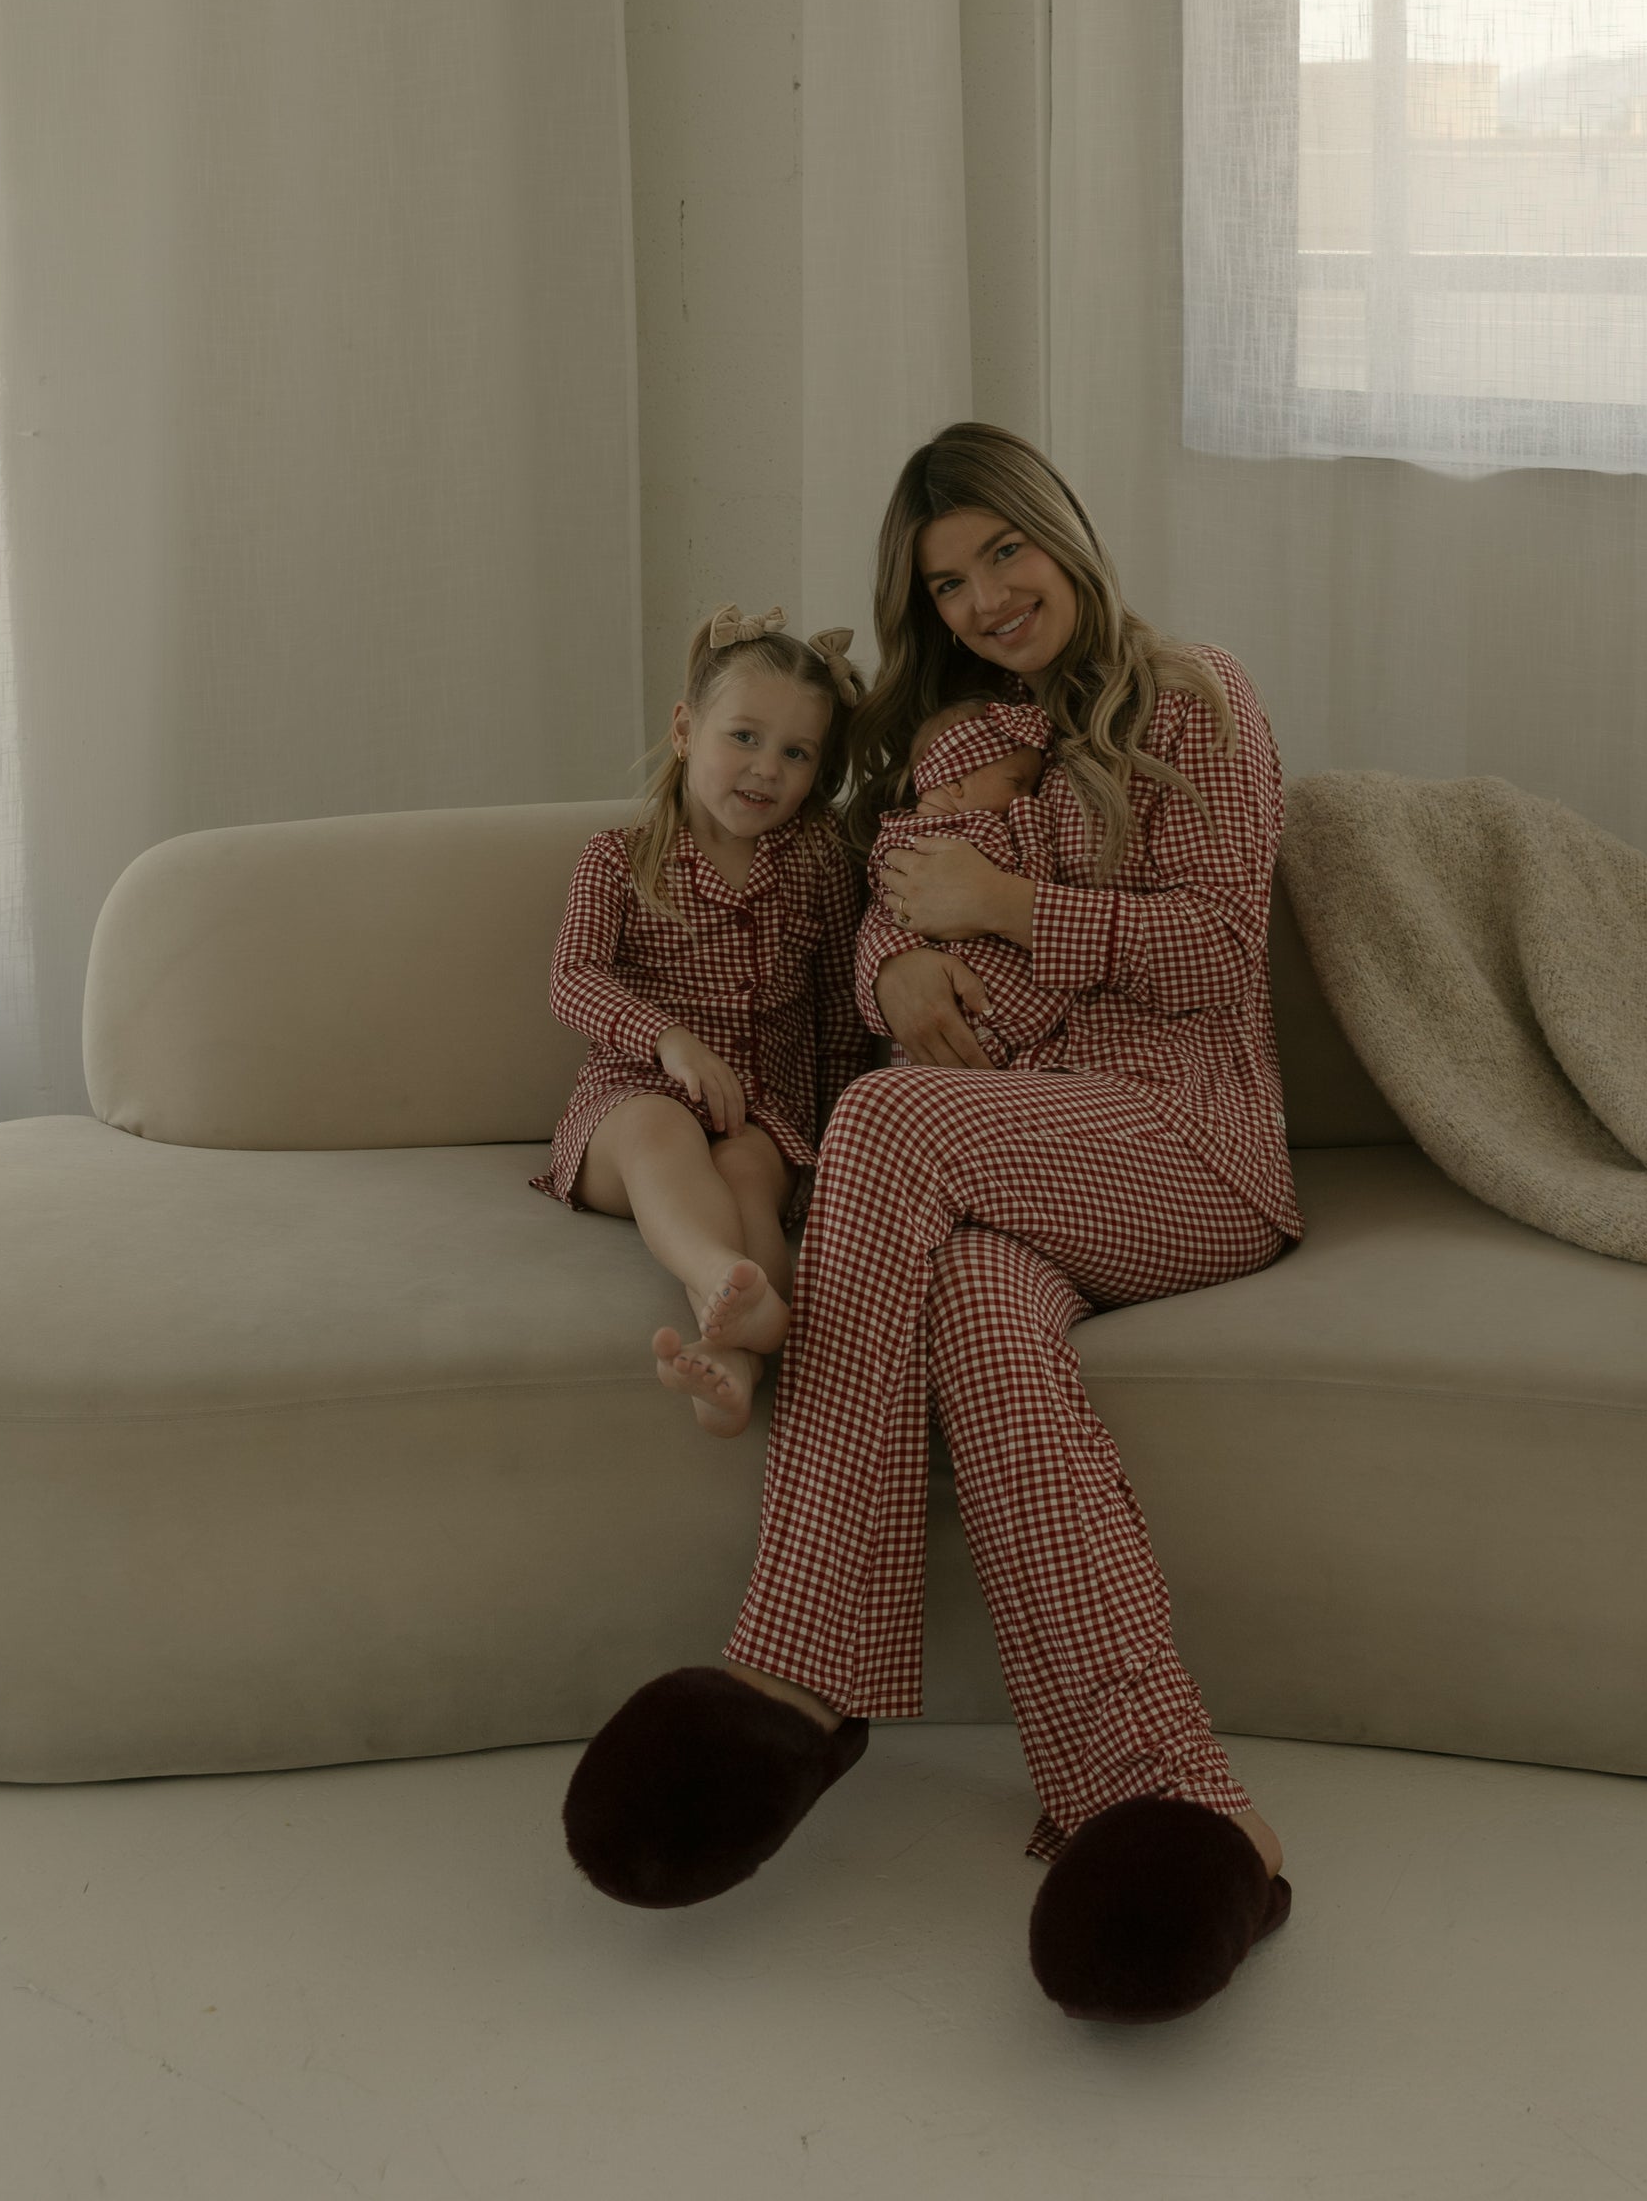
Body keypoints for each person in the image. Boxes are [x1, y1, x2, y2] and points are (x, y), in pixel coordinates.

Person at [563, 427, 1305, 2024]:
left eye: (999, 557)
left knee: (889, 1121)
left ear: (1061, 532)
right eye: (944, 584)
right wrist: (890, 968)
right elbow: (883, 935)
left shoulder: (1198, 699)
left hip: (1184, 1145)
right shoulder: (938, 747)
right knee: (966, 1303)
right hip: (1005, 1172)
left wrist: (1003, 906)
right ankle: (1161, 1791)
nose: (981, 599)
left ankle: (798, 1660)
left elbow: (1213, 951)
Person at [532, 604, 871, 1438]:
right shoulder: (617, 857)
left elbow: (839, 1011)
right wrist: (667, 1040)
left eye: (796, 753)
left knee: (754, 1169)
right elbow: (572, 978)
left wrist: (832, 1146)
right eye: (745, 737)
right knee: (659, 1132)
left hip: (763, 1112)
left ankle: (735, 1355)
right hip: (629, 1103)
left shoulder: (820, 858)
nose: (766, 770)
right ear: (686, 729)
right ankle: (722, 1275)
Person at [867, 696, 1071, 1068]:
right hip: (976, 1006)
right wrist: (1032, 825)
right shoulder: (977, 832)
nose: (1026, 798)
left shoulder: (894, 833)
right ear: (955, 780)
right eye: (1018, 784)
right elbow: (1030, 885)